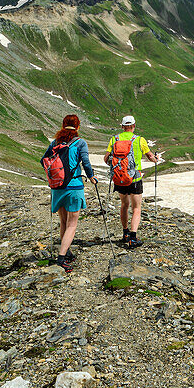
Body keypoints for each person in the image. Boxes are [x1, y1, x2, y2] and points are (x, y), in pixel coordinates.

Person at [44, 114, 96, 272]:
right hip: (74, 187)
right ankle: (61, 258)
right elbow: (85, 162)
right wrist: (91, 176)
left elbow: (44, 160)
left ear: (63, 125)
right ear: (78, 127)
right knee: (72, 224)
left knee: (64, 222)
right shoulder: (80, 143)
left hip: (57, 187)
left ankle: (66, 251)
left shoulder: (55, 142)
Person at [105, 114, 158, 248]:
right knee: (136, 208)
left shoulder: (114, 139)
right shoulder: (140, 140)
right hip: (135, 178)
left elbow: (106, 159)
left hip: (119, 178)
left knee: (124, 205)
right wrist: (155, 158)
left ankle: (125, 233)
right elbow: (151, 157)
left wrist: (116, 167)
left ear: (122, 127)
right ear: (133, 126)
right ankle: (133, 238)